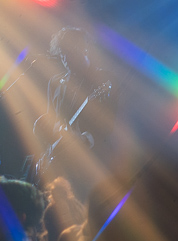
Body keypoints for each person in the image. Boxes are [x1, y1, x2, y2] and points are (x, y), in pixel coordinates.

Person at [34, 27, 117, 194]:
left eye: (69, 52)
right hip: (60, 159)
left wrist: (88, 138)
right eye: (62, 52)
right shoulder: (57, 83)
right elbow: (52, 120)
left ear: (83, 49)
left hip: (90, 161)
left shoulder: (102, 79)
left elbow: (111, 123)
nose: (65, 57)